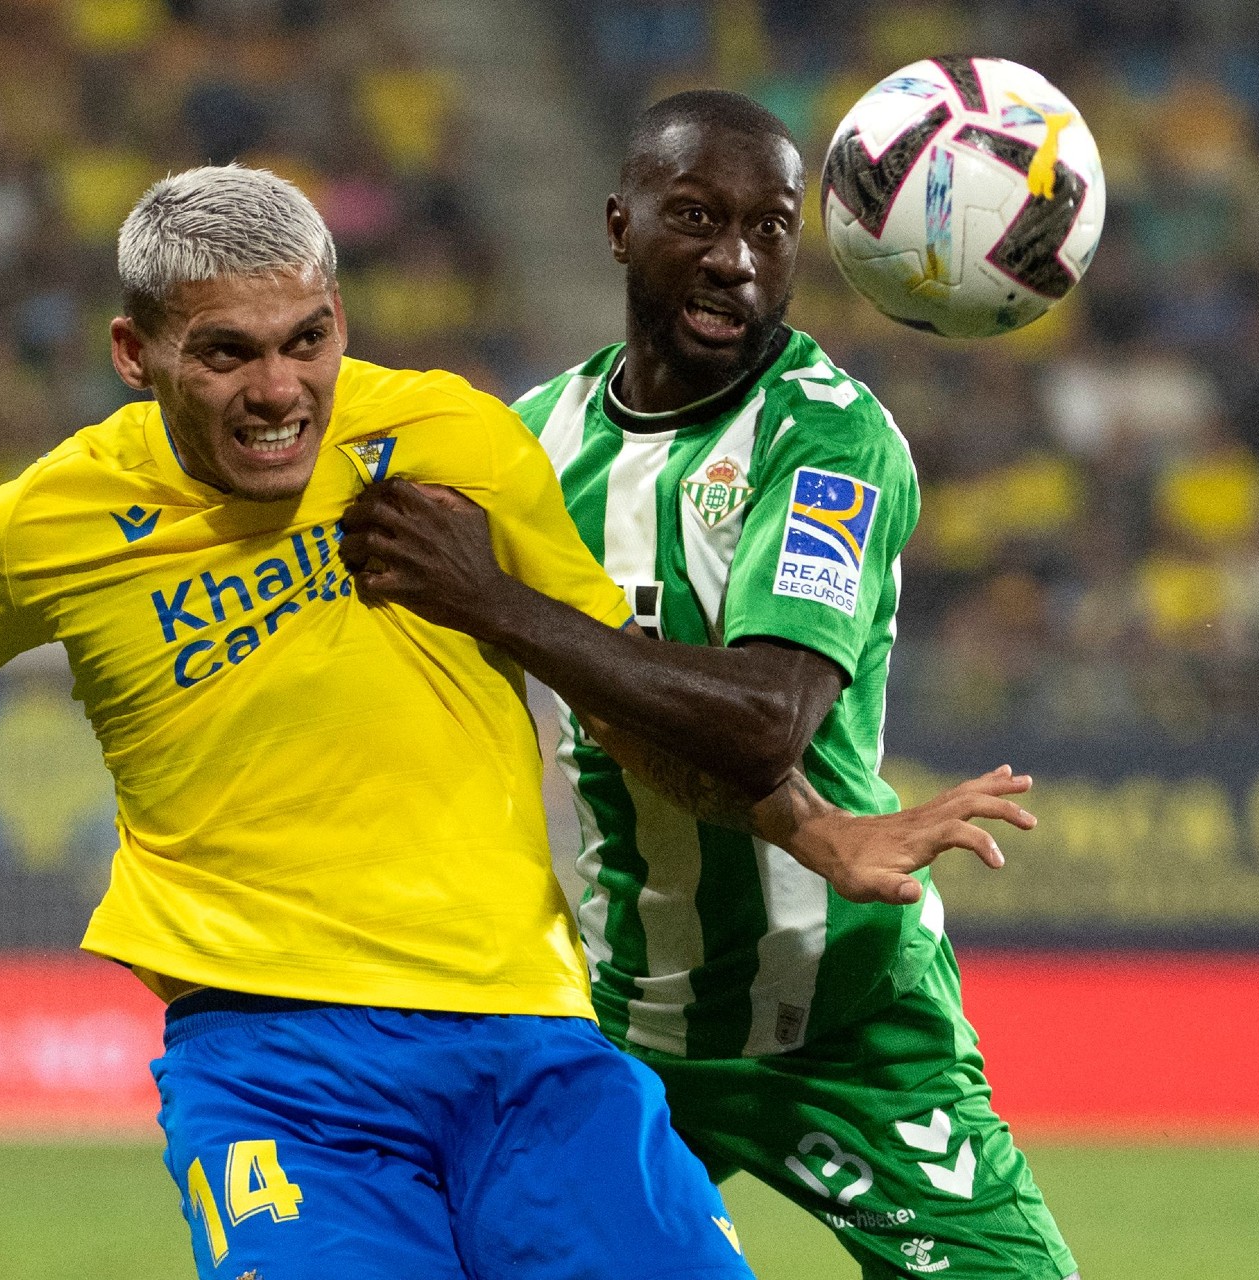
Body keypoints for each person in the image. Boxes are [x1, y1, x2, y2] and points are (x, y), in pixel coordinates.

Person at [0, 165, 1029, 1280]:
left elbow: (606, 684)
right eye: (226, 352)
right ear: (135, 352)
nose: (280, 389)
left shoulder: (450, 439)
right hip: (279, 1071)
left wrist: (816, 824)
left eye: (306, 341)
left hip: (533, 1049)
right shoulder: (55, 521)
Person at [340, 93, 1078, 1280]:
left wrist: (496, 599)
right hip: (613, 1028)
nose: (734, 258)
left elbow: (758, 720)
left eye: (770, 227)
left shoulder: (828, 440)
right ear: (618, 225)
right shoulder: (532, 448)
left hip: (844, 1018)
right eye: (694, 217)